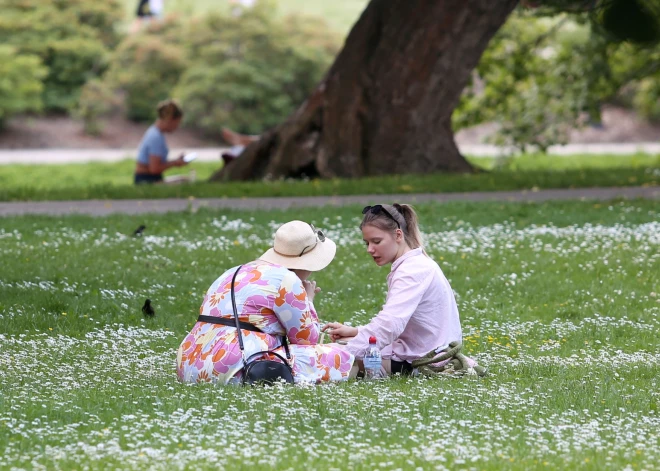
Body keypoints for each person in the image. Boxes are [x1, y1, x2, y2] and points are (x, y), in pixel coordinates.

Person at [176, 220, 355, 385]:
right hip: (234, 366)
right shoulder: (287, 279)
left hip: (189, 363)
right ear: (305, 262)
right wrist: (308, 300)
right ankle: (373, 369)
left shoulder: (232, 272)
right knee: (336, 354)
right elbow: (307, 340)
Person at [323, 204, 482, 377]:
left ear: (398, 235)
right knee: (343, 345)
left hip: (423, 360)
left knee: (330, 358)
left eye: (376, 241)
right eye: (367, 243)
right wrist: (355, 332)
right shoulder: (414, 264)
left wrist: (340, 355)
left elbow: (389, 326)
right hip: (423, 351)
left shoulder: (412, 270)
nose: (370, 249)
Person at [134, 99, 191, 185]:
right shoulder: (155, 137)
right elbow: (154, 169)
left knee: (184, 179)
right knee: (184, 183)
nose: (177, 127)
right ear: (170, 120)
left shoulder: (156, 133)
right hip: (147, 180)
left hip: (151, 178)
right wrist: (175, 163)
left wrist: (176, 161)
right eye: (177, 123)